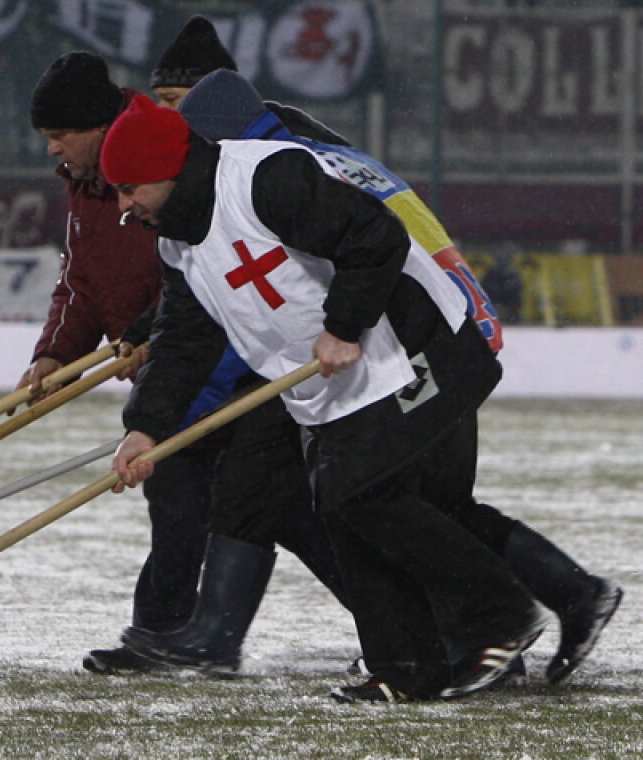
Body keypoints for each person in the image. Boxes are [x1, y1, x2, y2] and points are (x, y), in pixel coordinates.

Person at [174, 65, 621, 686]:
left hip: (412, 343)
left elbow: (318, 279)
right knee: (426, 507)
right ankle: (559, 601)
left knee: (377, 499)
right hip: (442, 327)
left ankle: (488, 629)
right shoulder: (325, 152)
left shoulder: (271, 170)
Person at [103, 93, 548, 702]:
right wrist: (145, 427)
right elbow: (183, 339)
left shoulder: (267, 176)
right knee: (338, 505)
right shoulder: (176, 241)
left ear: (169, 170)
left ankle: (501, 616)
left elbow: (376, 237)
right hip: (335, 381)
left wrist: (342, 325)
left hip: (417, 345)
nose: (124, 207)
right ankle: (406, 669)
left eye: (130, 189)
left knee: (364, 493)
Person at [16, 51, 347, 677]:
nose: (53, 150)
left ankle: (407, 621)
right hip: (171, 368)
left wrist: (155, 342)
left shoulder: (160, 163)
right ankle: (168, 634)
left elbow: (198, 279)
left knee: (277, 511)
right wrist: (57, 352)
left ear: (94, 126)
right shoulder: (89, 181)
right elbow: (82, 279)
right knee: (195, 508)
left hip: (224, 367)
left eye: (60, 135)